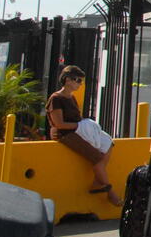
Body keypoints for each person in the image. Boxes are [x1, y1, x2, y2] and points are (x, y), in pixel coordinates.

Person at [46, 65, 122, 207]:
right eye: (77, 80)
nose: (80, 84)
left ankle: (97, 182)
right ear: (68, 80)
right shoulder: (56, 98)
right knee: (97, 157)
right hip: (65, 134)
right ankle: (110, 192)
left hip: (77, 131)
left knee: (108, 143)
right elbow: (59, 124)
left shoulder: (72, 98)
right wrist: (79, 126)